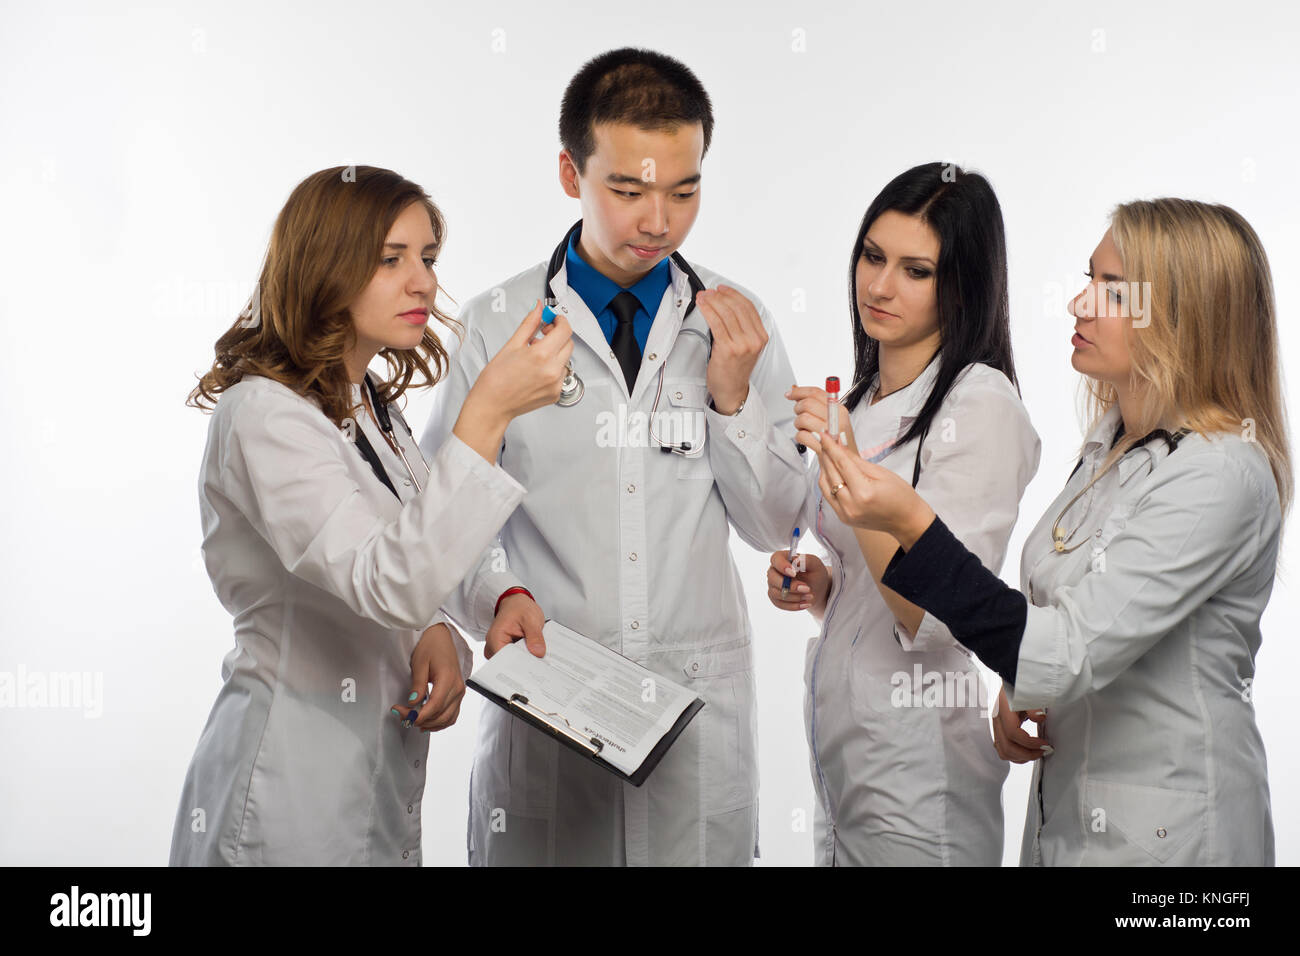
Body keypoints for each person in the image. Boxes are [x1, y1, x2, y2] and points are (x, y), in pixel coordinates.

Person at [812, 197, 1289, 866]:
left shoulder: (1221, 474)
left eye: (1113, 290)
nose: (1080, 305)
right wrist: (1019, 690)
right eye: (1090, 278)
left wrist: (912, 524)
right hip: (1070, 817)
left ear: (1186, 316)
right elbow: (1088, 620)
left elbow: (1066, 654)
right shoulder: (1111, 444)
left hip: (1175, 842)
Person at [419, 48, 806, 866]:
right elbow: (440, 520)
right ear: (571, 172)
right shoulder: (496, 323)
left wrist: (731, 398)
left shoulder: (736, 322)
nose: (658, 221)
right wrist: (500, 592)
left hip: (697, 713)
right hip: (552, 701)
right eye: (628, 191)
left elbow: (776, 523)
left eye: (685, 189)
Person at [170, 166, 573, 865]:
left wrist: (480, 604)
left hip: (376, 781)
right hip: (287, 786)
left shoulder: (365, 404)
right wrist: (489, 411)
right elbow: (386, 581)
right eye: (391, 260)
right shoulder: (264, 414)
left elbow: (414, 541)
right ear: (324, 266)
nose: (423, 282)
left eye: (427, 258)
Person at [767, 163, 1040, 865]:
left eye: (916, 270)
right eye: (872, 255)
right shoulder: (860, 399)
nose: (880, 285)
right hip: (846, 766)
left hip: (920, 776)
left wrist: (849, 473)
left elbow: (942, 613)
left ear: (963, 286)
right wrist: (824, 590)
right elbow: (875, 589)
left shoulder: (980, 404)